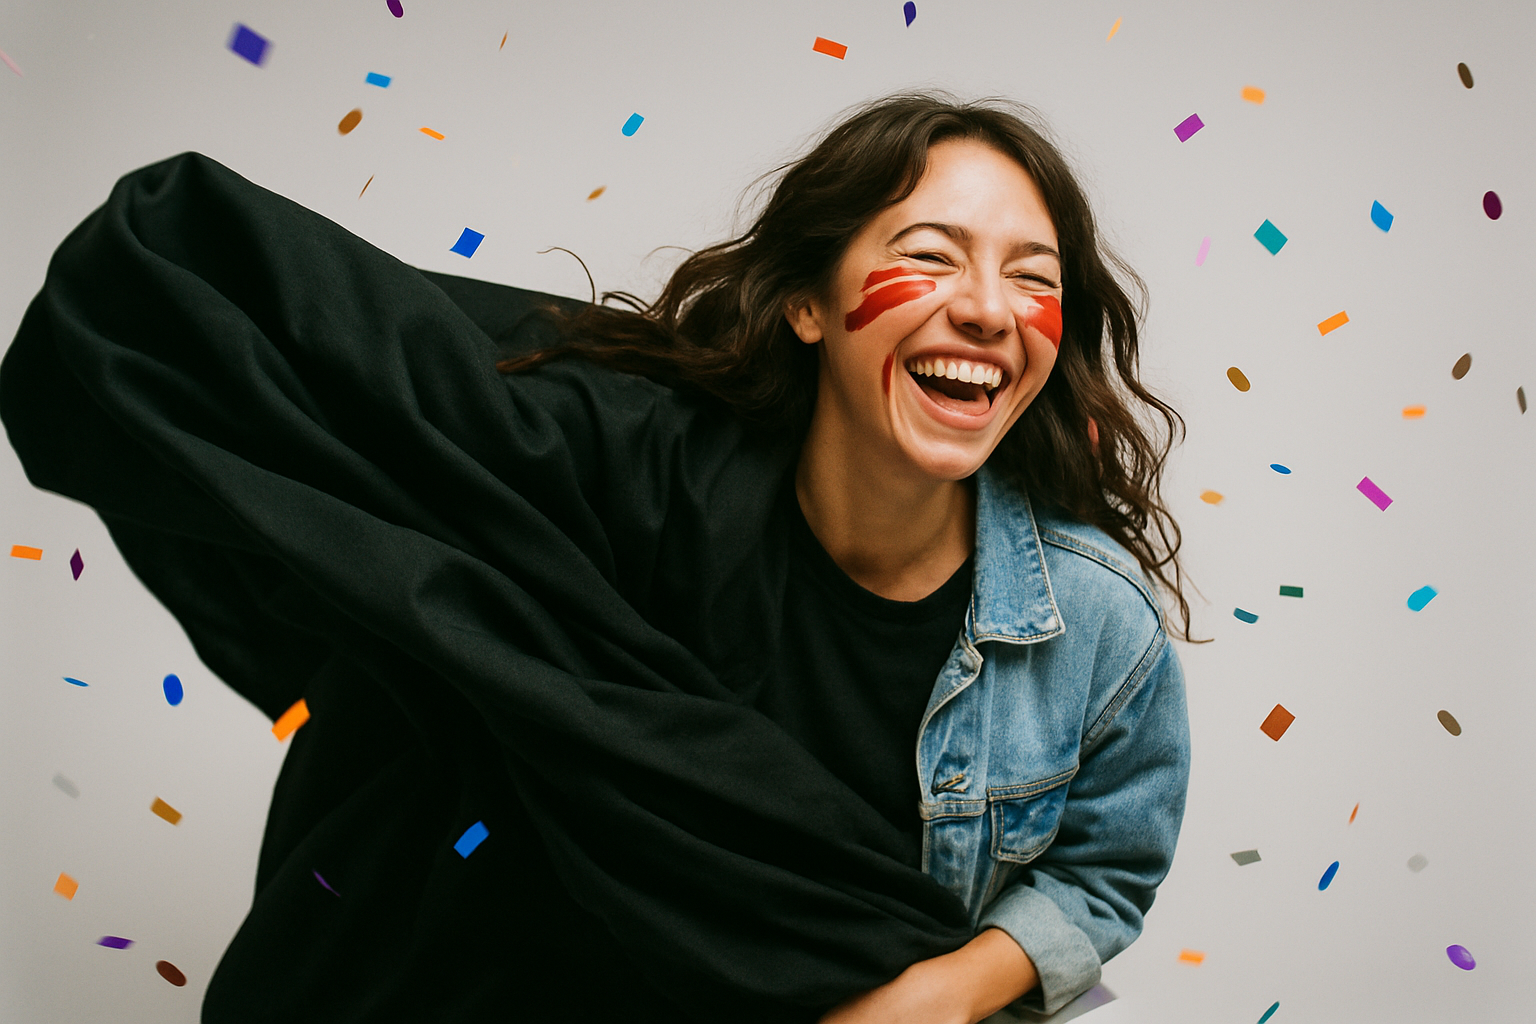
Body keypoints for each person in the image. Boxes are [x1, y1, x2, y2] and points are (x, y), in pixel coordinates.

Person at [1, 92, 1190, 1023]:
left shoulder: (1093, 622)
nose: (990, 308)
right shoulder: (632, 467)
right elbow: (230, 317)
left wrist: (937, 992)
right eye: (931, 254)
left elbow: (1103, 875)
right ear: (810, 304)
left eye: (1035, 280)